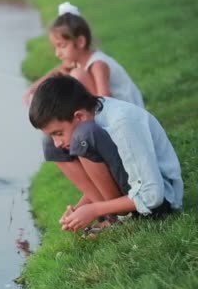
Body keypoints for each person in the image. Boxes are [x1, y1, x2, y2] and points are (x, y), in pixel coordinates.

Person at [24, 2, 147, 215]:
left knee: (82, 134)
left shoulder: (97, 64)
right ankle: (106, 210)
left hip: (123, 130)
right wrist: (33, 89)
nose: (57, 53)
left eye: (62, 46)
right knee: (53, 145)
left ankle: (111, 210)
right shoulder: (82, 62)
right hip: (101, 125)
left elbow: (104, 100)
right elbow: (57, 71)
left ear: (80, 41)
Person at [28, 75, 183, 232]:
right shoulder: (92, 110)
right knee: (49, 145)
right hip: (131, 193)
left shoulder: (122, 123)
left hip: (160, 203)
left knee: (84, 137)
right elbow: (113, 172)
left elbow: (152, 196)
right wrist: (80, 209)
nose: (58, 142)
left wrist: (95, 210)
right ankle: (113, 216)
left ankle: (117, 218)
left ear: (79, 116)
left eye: (59, 133)